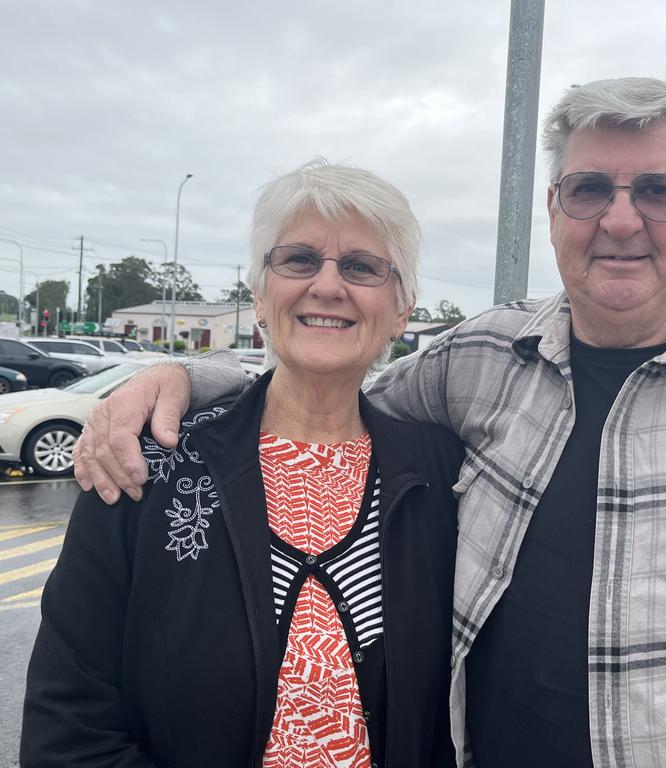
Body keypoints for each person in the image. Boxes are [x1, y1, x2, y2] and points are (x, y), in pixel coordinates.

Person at [72, 78, 666, 767]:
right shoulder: (482, 360)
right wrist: (176, 373)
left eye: (658, 190)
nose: (621, 220)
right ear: (553, 210)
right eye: (587, 190)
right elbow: (329, 372)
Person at [22, 160, 463, 767]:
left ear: (402, 308)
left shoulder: (444, 476)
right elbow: (68, 724)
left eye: (362, 267)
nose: (328, 287)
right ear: (259, 294)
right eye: (299, 259)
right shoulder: (152, 466)